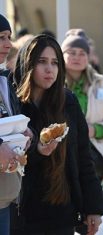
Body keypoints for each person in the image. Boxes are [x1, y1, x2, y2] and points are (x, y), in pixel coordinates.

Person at [11, 34, 103, 235]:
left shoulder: (67, 101)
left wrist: (93, 208)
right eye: (42, 62)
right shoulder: (13, 105)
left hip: (60, 210)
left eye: (55, 63)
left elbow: (83, 156)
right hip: (21, 213)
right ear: (28, 65)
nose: (49, 69)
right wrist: (37, 151)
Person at [62, 29, 103, 193]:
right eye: (71, 52)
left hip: (92, 158)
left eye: (82, 53)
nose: (76, 57)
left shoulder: (101, 84)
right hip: (61, 156)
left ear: (88, 57)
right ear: (62, 54)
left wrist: (94, 130)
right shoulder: (53, 83)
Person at [0, 13, 32, 235]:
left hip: (5, 194)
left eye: (9, 37)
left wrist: (25, 134)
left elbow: (10, 121)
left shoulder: (4, 79)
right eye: (1, 37)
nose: (8, 44)